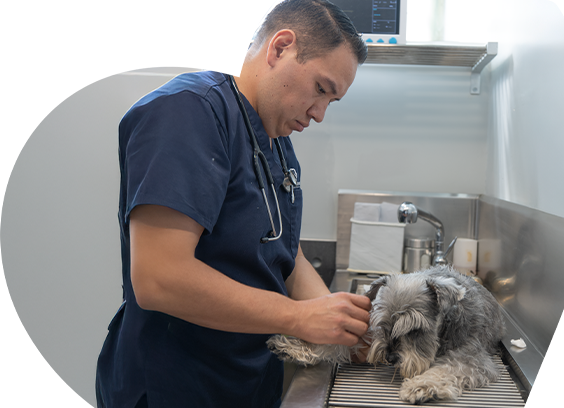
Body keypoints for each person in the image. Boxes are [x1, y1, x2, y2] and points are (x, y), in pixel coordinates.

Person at [95, 1, 370, 407]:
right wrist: (299, 318)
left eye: (332, 101)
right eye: (321, 90)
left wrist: (343, 328)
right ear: (280, 48)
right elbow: (159, 278)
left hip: (246, 378)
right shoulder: (186, 113)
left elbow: (281, 250)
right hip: (176, 383)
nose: (319, 114)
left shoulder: (274, 138)